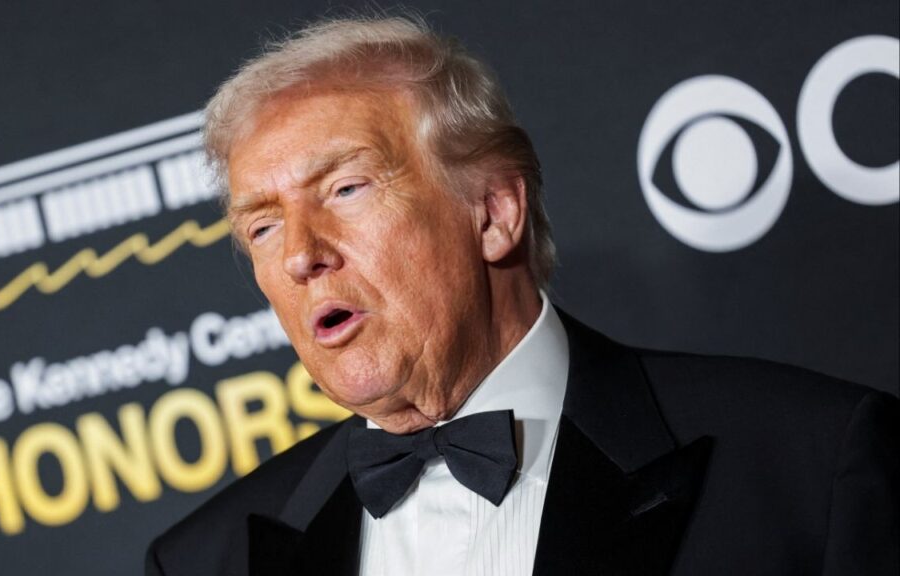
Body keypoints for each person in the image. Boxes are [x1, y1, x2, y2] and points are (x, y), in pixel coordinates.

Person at [145, 15, 897, 576]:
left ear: (494, 212)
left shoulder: (808, 464)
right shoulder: (202, 562)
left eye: (346, 188)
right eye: (264, 226)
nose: (301, 254)